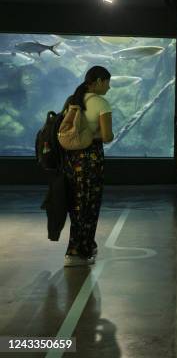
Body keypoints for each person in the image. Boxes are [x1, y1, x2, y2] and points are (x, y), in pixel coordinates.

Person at [62, 66, 114, 267]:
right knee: (90, 205)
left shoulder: (72, 100)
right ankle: (81, 253)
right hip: (91, 160)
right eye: (108, 82)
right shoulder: (101, 103)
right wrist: (92, 135)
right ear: (99, 81)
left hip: (72, 160)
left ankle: (74, 250)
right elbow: (107, 136)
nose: (109, 87)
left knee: (76, 205)